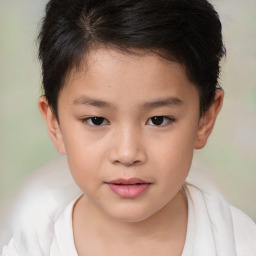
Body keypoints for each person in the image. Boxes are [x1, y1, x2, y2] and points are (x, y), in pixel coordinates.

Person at [1, 0, 256, 255]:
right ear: (54, 123)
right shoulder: (31, 246)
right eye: (97, 120)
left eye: (158, 120)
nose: (127, 153)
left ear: (205, 118)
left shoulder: (240, 244)